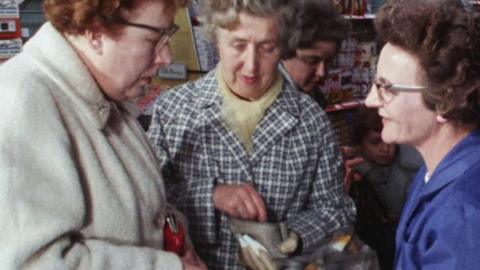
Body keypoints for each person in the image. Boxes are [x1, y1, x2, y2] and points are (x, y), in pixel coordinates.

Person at [146, 0, 356, 269]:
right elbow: (148, 203)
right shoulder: (174, 111)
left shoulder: (311, 121)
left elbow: (337, 211)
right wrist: (210, 195)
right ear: (216, 39)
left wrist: (293, 236)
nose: (251, 66)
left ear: (284, 46)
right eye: (238, 45)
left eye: (268, 48)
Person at [0, 0, 207, 269]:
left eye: (167, 36)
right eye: (155, 38)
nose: (166, 57)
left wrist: (171, 229)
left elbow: (128, 206)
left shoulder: (106, 94)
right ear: (96, 33)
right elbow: (34, 262)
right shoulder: (19, 104)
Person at [365, 0, 480, 268]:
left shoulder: (463, 218)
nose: (371, 100)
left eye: (386, 88)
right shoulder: (434, 169)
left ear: (444, 101)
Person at [349, 107, 422, 270]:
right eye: (375, 142)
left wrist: (367, 170)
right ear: (359, 143)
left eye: (390, 142)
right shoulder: (351, 173)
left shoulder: (408, 167)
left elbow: (395, 202)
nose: (385, 149)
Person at [279, 0, 350, 108]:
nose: (321, 72)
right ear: (284, 51)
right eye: (312, 61)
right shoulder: (270, 104)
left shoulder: (311, 94)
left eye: (329, 61)